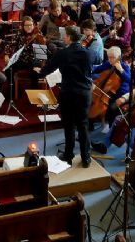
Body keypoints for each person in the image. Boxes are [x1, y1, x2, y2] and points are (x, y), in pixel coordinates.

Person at [35, 25, 94, 168]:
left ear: (68, 37)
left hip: (68, 93)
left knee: (69, 125)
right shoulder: (88, 53)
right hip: (84, 93)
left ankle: (68, 155)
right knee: (83, 125)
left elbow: (48, 69)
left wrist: (40, 71)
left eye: (65, 35)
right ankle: (86, 157)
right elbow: (88, 71)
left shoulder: (63, 53)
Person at [91, 46, 131, 132]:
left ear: (118, 57)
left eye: (112, 57)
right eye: (108, 57)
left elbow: (129, 80)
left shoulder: (125, 67)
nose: (109, 59)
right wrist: (87, 69)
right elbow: (98, 69)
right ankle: (89, 124)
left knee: (111, 107)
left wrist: (121, 71)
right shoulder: (108, 64)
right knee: (89, 98)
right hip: (107, 91)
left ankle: (111, 128)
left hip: (120, 92)